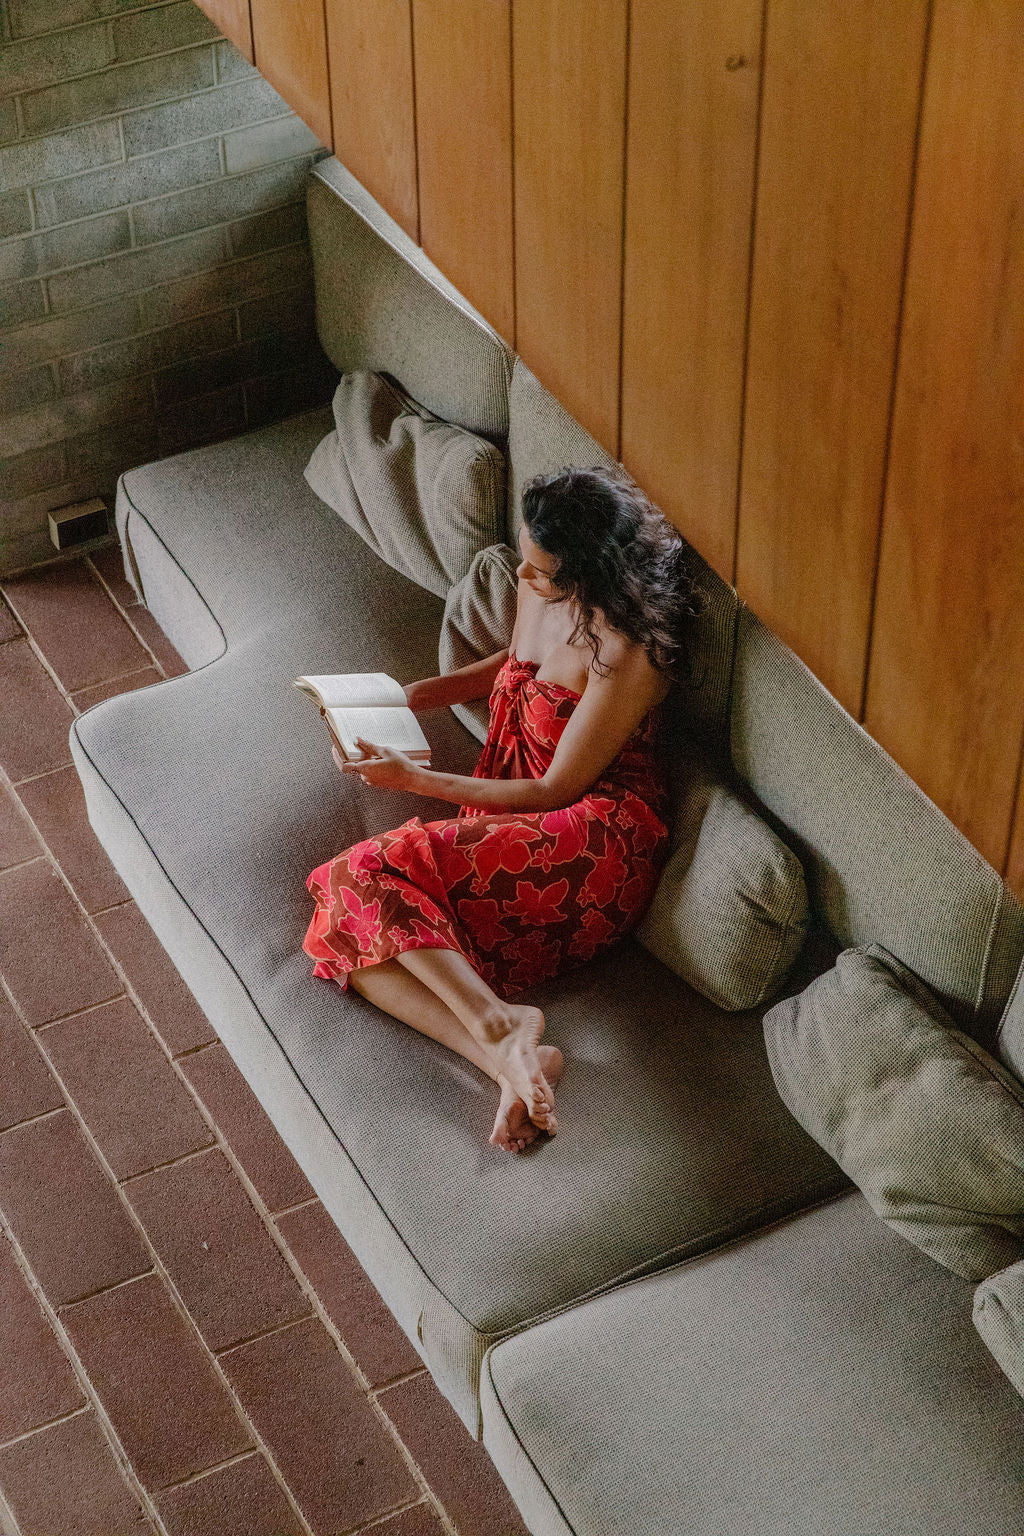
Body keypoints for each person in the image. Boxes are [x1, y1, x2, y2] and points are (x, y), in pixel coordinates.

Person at [302, 464, 709, 1153]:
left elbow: (555, 790)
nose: (524, 578)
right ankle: (508, 1056)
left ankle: (499, 1029)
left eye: (542, 572)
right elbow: (512, 663)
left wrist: (415, 781)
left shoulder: (633, 651)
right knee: (346, 929)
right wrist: (401, 697)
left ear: (593, 576)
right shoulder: (538, 584)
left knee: (360, 880)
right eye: (524, 560)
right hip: (518, 815)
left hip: (592, 839)